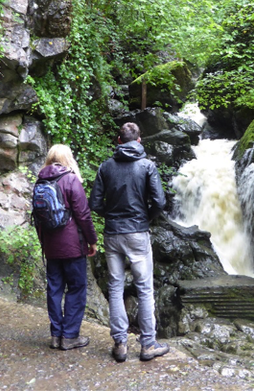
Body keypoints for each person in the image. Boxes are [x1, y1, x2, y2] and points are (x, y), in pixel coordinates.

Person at [90, 122, 168, 363]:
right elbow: (160, 202)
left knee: (115, 287)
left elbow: (95, 203)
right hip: (137, 232)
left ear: (119, 140)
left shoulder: (106, 167)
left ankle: (120, 344)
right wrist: (146, 218)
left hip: (113, 234)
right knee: (144, 289)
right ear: (139, 140)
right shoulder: (147, 166)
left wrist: (111, 217)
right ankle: (147, 345)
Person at [35, 144, 97, 351]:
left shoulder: (40, 181)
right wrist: (92, 240)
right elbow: (83, 215)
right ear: (68, 159)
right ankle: (69, 336)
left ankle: (55, 335)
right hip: (72, 246)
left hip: (51, 247)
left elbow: (38, 218)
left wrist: (43, 242)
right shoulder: (71, 180)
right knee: (76, 288)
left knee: (54, 289)